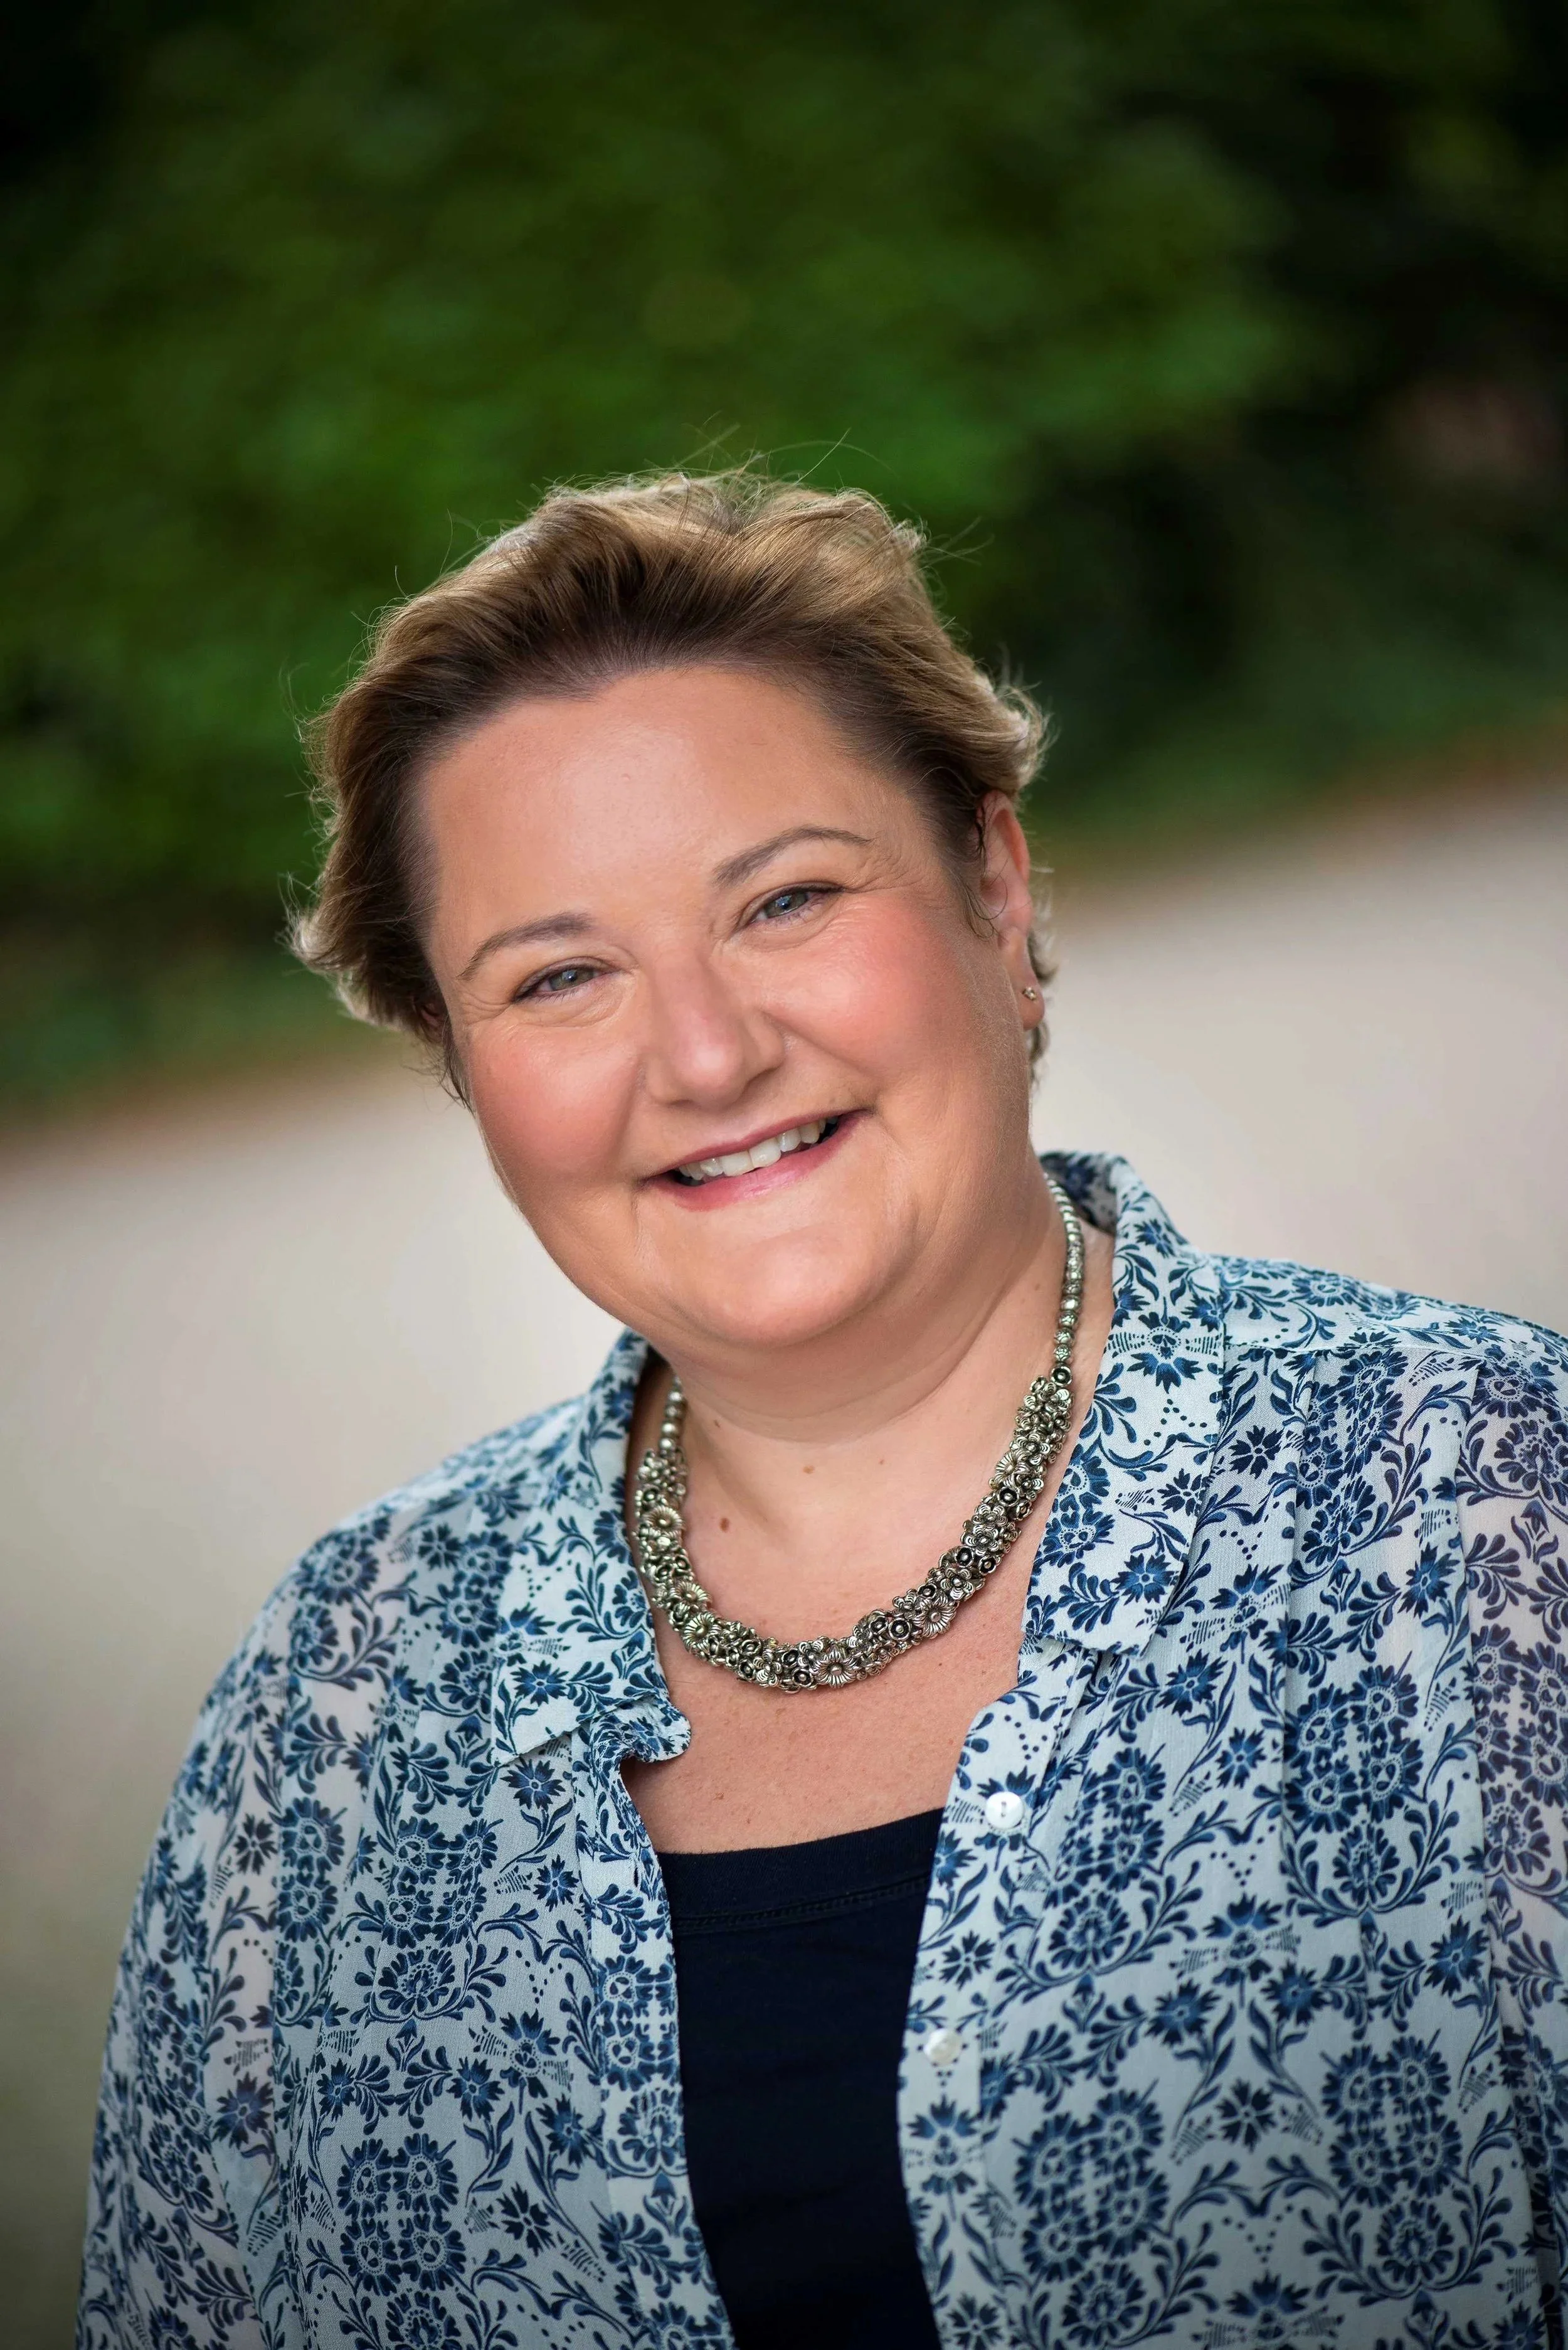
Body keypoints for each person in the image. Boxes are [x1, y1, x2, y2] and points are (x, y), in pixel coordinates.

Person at [80, 472, 1568, 2350]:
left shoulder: (1489, 1506)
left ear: (994, 891)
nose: (706, 1057)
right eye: (559, 977)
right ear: (458, 1065)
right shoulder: (332, 1707)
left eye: (785, 899)